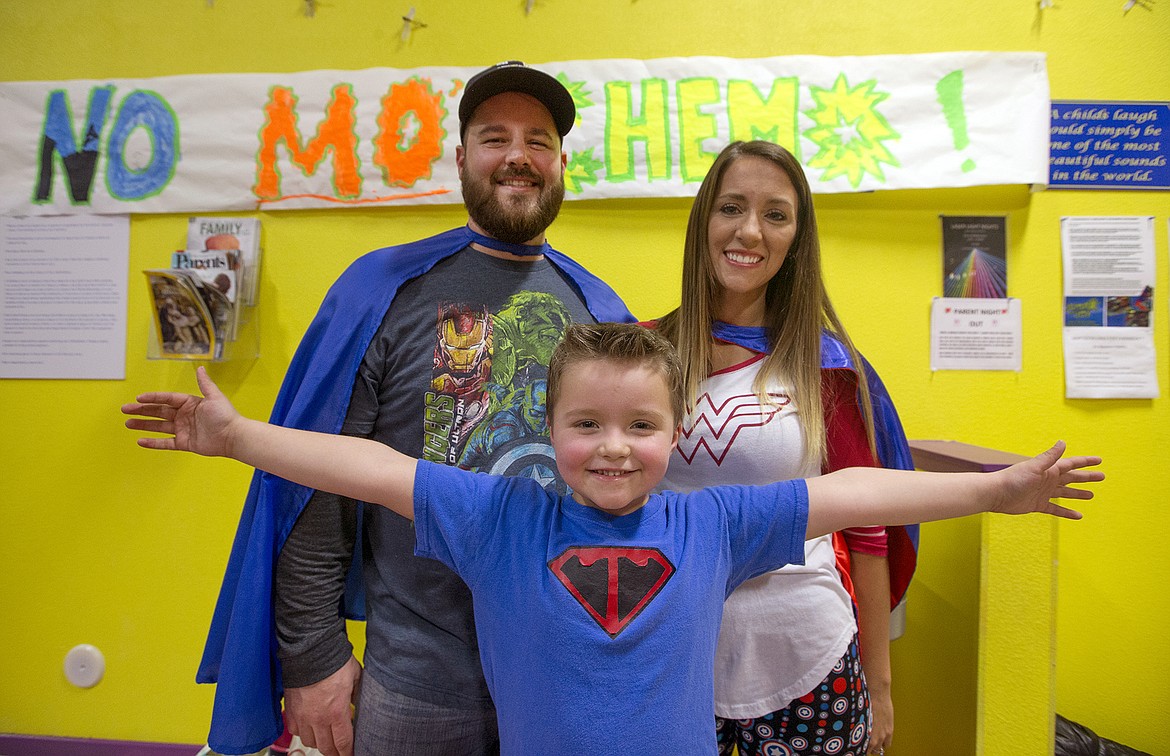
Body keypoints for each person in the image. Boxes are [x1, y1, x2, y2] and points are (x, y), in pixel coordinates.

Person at [122, 322, 1103, 756]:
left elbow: (849, 494)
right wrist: (238, 437)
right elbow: (372, 469)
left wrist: (997, 492)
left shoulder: (712, 520)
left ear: (677, 438)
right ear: (549, 432)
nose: (613, 448)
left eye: (640, 427)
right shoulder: (505, 516)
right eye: (586, 425)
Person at [194, 61, 633, 756]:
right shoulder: (383, 291)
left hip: (566, 676)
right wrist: (312, 657)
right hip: (420, 688)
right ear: (461, 159)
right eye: (495, 138)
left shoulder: (599, 309)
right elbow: (317, 490)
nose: (518, 155)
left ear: (560, 163)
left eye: (538, 140)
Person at [654, 140, 915, 756]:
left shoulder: (827, 367)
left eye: (776, 214)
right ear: (704, 222)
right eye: (732, 207)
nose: (750, 230)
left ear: (797, 237)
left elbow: (869, 528)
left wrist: (879, 686)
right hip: (674, 659)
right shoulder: (647, 351)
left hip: (807, 663)